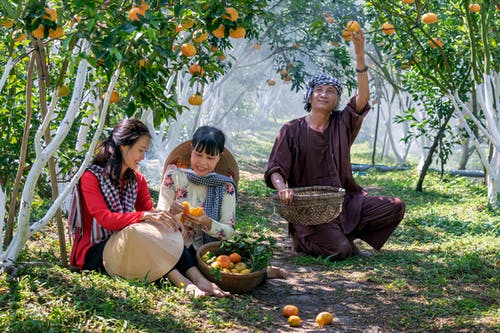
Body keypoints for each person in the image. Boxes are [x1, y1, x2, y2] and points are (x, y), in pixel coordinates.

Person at [264, 29, 405, 260]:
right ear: (310, 97)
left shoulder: (343, 123)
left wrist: (359, 55)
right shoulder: (291, 129)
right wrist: (282, 189)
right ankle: (304, 239)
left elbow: (363, 98)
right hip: (309, 210)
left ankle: (339, 232)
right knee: (341, 250)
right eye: (318, 90)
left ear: (337, 99)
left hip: (345, 203)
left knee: (395, 206)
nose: (323, 94)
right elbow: (275, 168)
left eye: (330, 91)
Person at [68, 118, 229, 297]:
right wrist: (146, 216)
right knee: (138, 232)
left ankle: (199, 279)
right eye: (141, 150)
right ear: (124, 146)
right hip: (95, 252)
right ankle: (183, 282)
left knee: (159, 230)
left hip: (128, 246)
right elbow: (106, 219)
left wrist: (168, 221)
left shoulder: (138, 180)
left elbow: (150, 218)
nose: (143, 157)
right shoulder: (91, 177)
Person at [157, 126, 237, 259]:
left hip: (207, 252)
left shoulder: (225, 186)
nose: (202, 162)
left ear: (219, 157)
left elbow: (229, 232)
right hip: (174, 244)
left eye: (210, 158)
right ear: (191, 148)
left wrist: (208, 223)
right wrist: (171, 212)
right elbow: (160, 215)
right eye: (198, 155)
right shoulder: (174, 177)